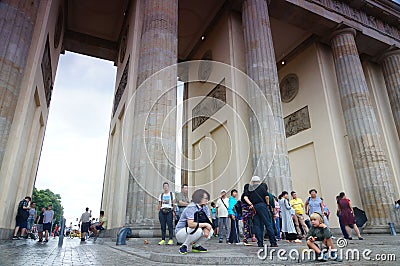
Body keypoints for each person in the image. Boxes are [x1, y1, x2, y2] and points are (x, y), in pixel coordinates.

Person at [176, 189, 213, 254]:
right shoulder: (191, 207)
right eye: (206, 198)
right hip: (181, 232)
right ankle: (184, 246)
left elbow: (209, 220)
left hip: (193, 230)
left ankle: (196, 246)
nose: (207, 200)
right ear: (199, 198)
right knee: (198, 230)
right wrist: (206, 225)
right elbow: (190, 224)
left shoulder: (205, 207)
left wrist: (207, 228)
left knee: (211, 231)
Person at [247, 176, 278, 247]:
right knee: (268, 224)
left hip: (255, 207)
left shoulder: (250, 189)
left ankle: (260, 242)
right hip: (262, 205)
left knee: (257, 225)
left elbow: (247, 197)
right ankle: (273, 242)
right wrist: (267, 204)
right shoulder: (261, 187)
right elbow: (266, 196)